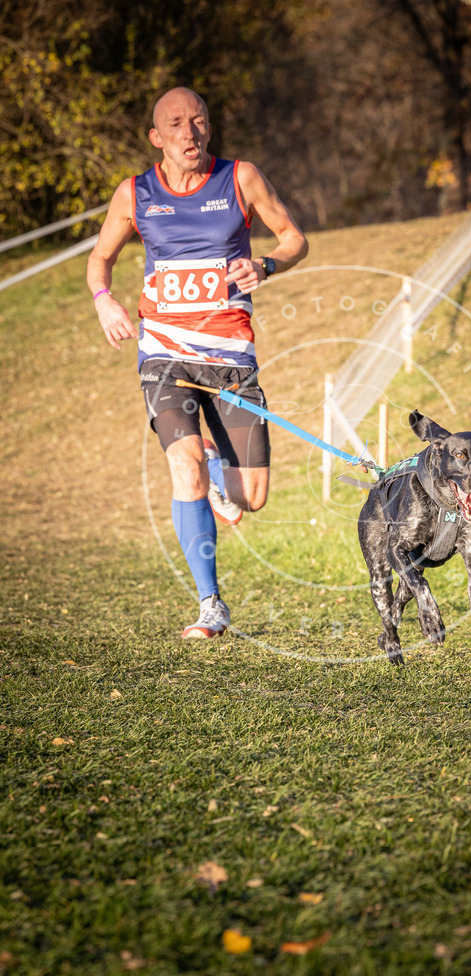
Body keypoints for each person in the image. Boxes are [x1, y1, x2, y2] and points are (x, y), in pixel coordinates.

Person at [87, 87, 308, 638]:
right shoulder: (134, 193)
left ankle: (217, 465)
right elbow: (101, 257)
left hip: (231, 355)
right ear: (156, 138)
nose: (190, 132)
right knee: (182, 466)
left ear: (209, 127)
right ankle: (211, 604)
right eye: (177, 124)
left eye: (199, 121)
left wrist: (268, 266)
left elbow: (293, 238)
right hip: (164, 353)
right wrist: (104, 299)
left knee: (249, 498)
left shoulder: (240, 178)